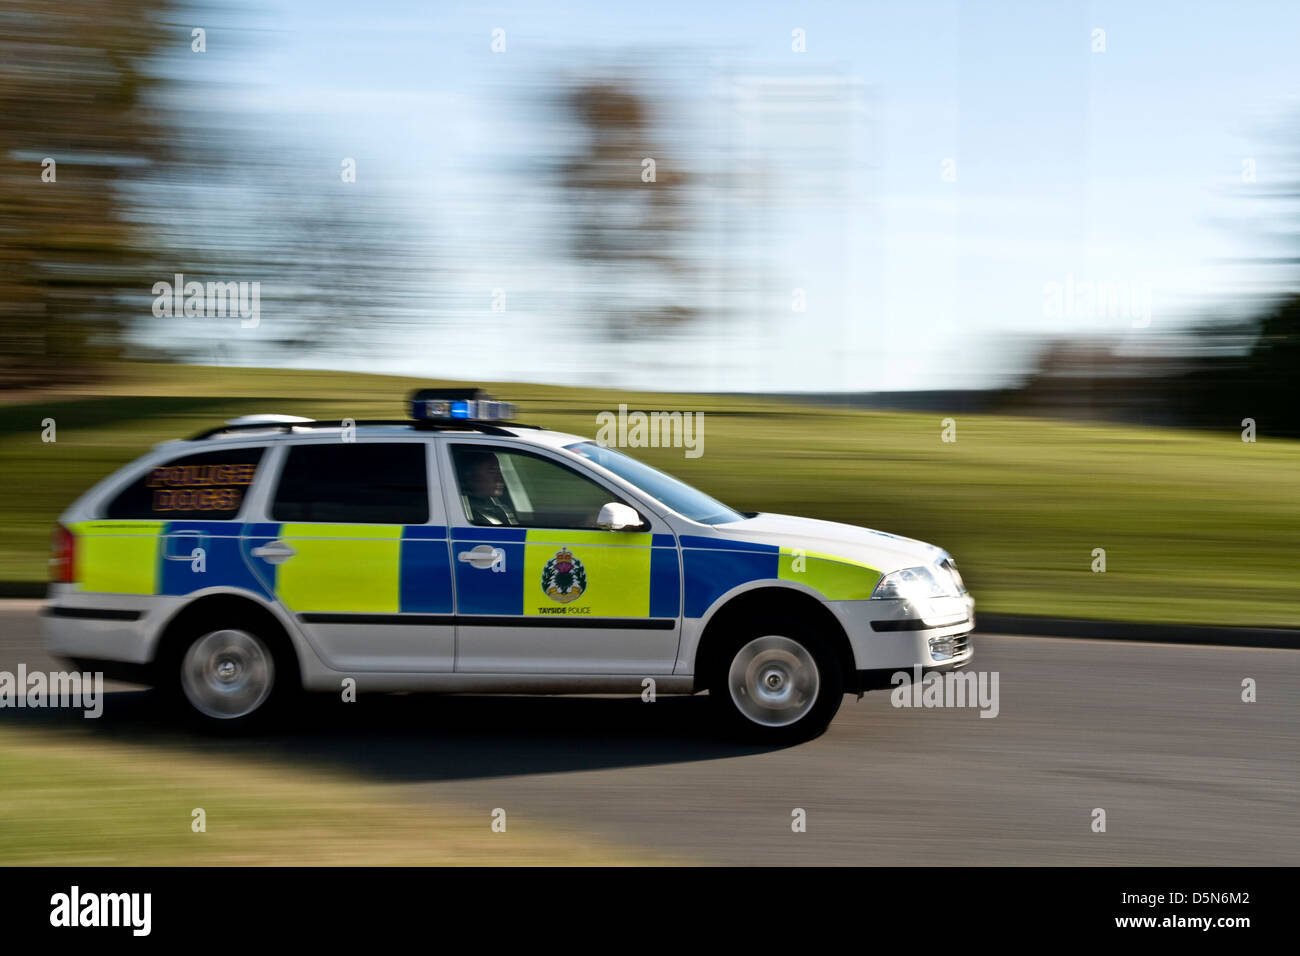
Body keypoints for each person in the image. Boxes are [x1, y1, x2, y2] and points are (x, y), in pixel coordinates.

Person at [457, 450, 518, 526]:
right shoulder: (467, 514)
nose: (500, 479)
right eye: (492, 472)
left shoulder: (497, 509)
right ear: (469, 476)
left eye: (499, 472)